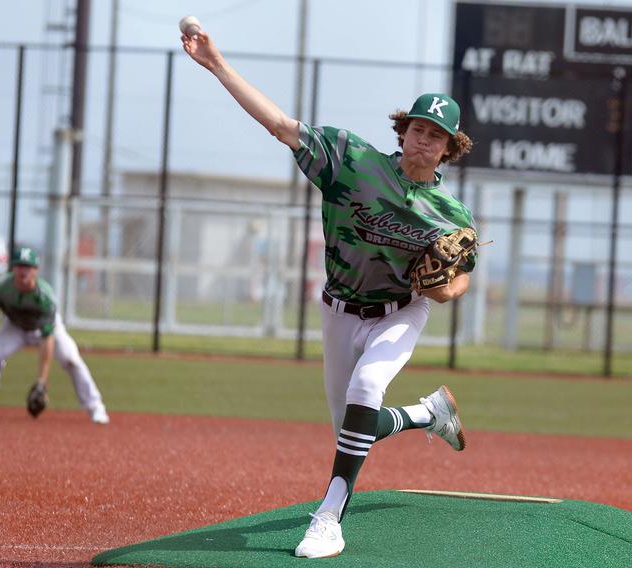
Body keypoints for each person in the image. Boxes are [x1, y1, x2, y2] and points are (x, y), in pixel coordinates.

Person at [182, 29, 477, 559]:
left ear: (449, 148)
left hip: (401, 310)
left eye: (436, 134)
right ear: (403, 129)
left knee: (367, 389)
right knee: (350, 428)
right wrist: (217, 65)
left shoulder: (451, 215)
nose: (423, 139)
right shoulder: (352, 162)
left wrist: (449, 290)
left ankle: (328, 518)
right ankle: (426, 414)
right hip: (339, 308)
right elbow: (279, 125)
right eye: (417, 127)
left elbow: (462, 275)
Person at [0, 246, 110, 425]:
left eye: (28, 266)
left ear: (35, 270)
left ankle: (96, 407)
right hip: (14, 327)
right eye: (19, 265)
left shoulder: (45, 296)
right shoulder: (2, 287)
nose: (23, 270)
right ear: (13, 268)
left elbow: (47, 338)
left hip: (45, 328)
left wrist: (42, 381)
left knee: (71, 358)